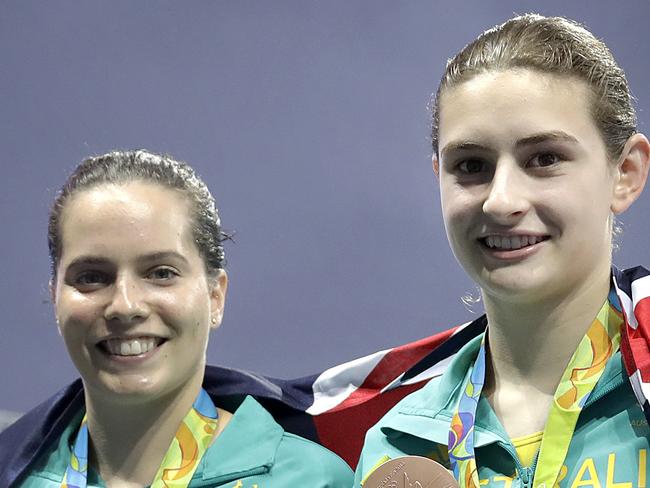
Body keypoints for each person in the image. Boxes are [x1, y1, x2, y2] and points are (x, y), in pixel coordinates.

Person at [355, 14, 650, 487]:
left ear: (626, 173)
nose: (502, 200)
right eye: (471, 165)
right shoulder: (398, 446)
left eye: (545, 159)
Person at [0, 150, 352, 487]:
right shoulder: (13, 473)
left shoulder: (308, 480)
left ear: (215, 297)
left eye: (161, 273)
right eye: (91, 277)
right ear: (55, 296)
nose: (125, 305)